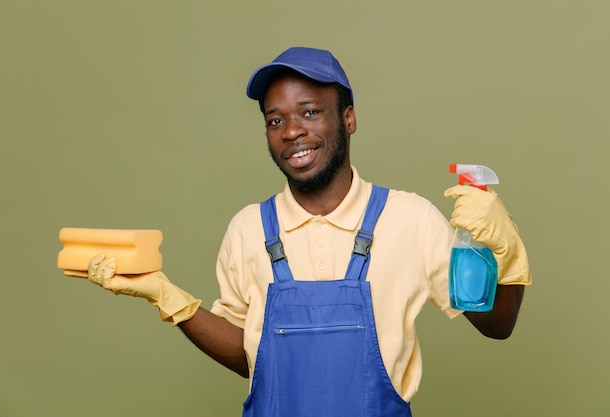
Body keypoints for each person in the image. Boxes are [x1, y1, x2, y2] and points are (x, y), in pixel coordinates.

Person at [83, 47, 531, 416]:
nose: (291, 131)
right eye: (275, 120)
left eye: (310, 112)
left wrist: (502, 247)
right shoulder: (248, 229)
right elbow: (248, 358)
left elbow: (498, 325)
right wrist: (167, 296)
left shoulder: (410, 219)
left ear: (349, 119)